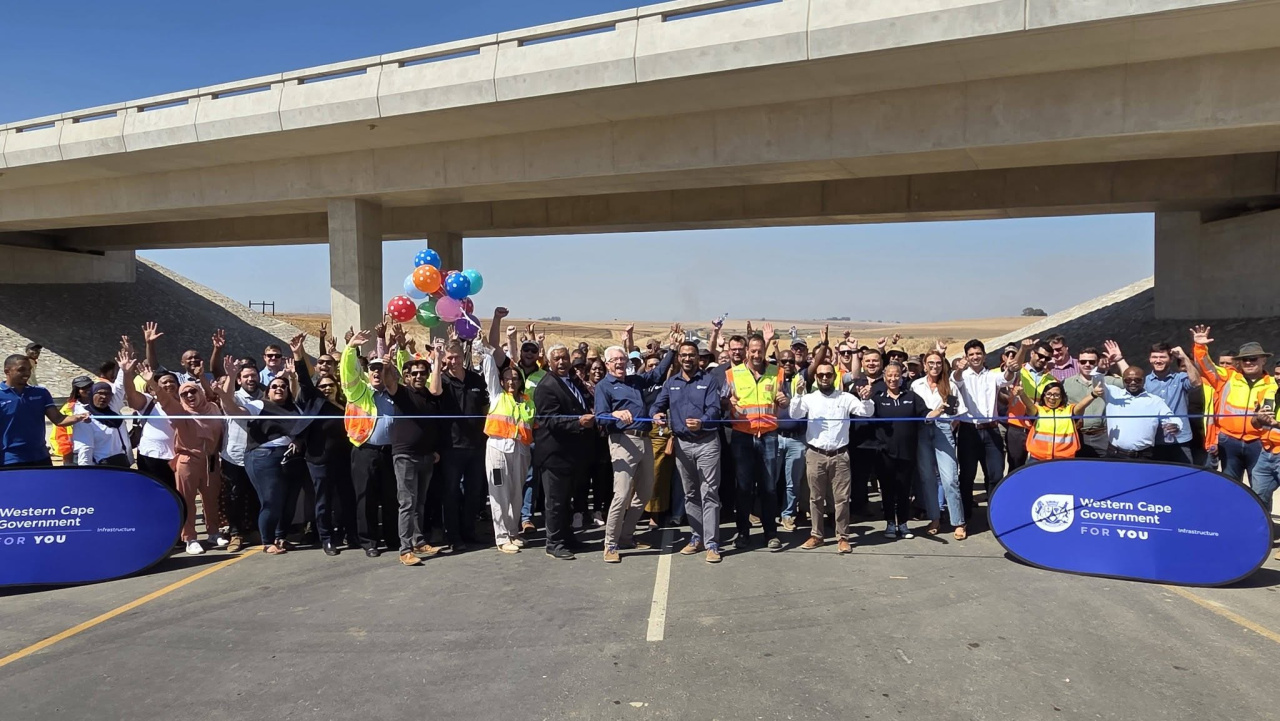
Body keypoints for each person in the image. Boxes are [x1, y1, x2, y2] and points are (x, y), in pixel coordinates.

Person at [595, 327, 678, 563]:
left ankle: (626, 536)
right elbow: (600, 417)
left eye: (622, 359)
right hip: (623, 441)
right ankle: (610, 543)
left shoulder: (634, 381)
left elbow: (658, 374)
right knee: (621, 495)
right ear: (607, 364)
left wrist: (672, 349)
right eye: (615, 360)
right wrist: (615, 414)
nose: (619, 363)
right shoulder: (604, 386)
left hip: (645, 438)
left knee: (644, 493)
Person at [217, 356, 306, 555]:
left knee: (289, 500)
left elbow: (302, 430)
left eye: (283, 386)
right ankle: (267, 541)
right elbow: (233, 411)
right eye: (274, 386)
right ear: (268, 391)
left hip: (291, 459)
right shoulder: (259, 405)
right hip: (264, 458)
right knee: (271, 500)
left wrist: (298, 440)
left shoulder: (296, 408)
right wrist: (226, 387)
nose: (279, 389)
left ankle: (281, 537)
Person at [138, 360, 227, 555]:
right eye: (184, 394)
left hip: (211, 460)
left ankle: (213, 532)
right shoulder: (180, 412)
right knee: (186, 500)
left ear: (200, 392)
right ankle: (190, 538)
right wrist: (152, 383)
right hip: (188, 460)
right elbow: (166, 401)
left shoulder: (213, 408)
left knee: (211, 498)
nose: (189, 396)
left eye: (193, 391)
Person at [789, 362, 874, 553]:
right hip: (815, 454)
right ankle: (817, 535)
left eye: (828, 374)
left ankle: (843, 537)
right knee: (815, 498)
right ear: (816, 378)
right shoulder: (809, 398)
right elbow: (795, 415)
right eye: (821, 375)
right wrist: (798, 395)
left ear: (835, 377)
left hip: (840, 455)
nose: (825, 378)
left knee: (842, 499)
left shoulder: (846, 398)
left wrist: (866, 399)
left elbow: (866, 412)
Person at [652, 340, 724, 563]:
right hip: (682, 445)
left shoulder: (708, 381)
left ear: (698, 358)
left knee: (709, 492)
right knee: (690, 493)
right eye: (683, 355)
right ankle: (696, 537)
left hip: (707, 443)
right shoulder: (671, 382)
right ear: (678, 358)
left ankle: (712, 544)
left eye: (691, 355)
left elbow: (715, 409)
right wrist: (656, 414)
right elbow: (658, 404)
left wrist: (702, 421)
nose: (687, 359)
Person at [290, 333, 358, 557]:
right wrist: (298, 354)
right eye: (323, 386)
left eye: (331, 385)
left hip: (344, 460)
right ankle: (327, 539)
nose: (327, 388)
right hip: (318, 460)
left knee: (347, 499)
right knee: (323, 501)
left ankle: (351, 535)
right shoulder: (314, 401)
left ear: (337, 387)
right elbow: (304, 379)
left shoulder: (346, 405)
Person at [341, 329, 406, 557]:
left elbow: (403, 371)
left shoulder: (395, 393)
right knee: (365, 498)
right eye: (373, 369)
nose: (377, 373)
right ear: (367, 372)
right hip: (365, 451)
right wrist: (350, 348)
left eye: (381, 369)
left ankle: (392, 538)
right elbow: (347, 371)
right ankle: (369, 542)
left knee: (391, 497)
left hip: (391, 453)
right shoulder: (358, 391)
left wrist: (399, 351)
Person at [724, 327, 788, 551]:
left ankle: (771, 533)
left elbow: (784, 399)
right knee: (744, 488)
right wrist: (728, 403)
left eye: (759, 350)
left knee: (769, 487)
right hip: (743, 436)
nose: (756, 354)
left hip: (769, 435)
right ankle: (743, 533)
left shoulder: (777, 372)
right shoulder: (732, 374)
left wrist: (785, 401)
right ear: (746, 351)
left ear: (764, 350)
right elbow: (722, 400)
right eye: (752, 351)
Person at [533, 344, 596, 560]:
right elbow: (550, 420)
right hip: (554, 454)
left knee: (567, 500)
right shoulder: (546, 386)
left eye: (564, 358)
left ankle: (567, 538)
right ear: (549, 362)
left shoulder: (572, 381)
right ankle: (554, 543)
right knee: (555, 502)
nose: (561, 362)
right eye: (557, 358)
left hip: (572, 454)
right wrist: (579, 422)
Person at [1191, 326, 1277, 482]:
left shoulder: (1273, 384)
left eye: (1253, 358)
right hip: (1229, 442)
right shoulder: (1228, 378)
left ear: (1264, 360)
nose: (1249, 362)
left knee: (1258, 487)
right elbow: (1207, 367)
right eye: (1245, 359)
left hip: (1259, 442)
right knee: (1230, 485)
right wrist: (1200, 347)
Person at [388, 346, 444, 567]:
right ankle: (405, 550)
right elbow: (389, 382)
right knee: (407, 503)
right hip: (405, 456)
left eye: (423, 373)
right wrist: (387, 363)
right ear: (407, 376)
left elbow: (436, 390)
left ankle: (418, 541)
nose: (419, 376)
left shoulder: (430, 397)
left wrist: (438, 359)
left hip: (426, 456)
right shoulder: (402, 393)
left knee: (420, 502)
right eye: (415, 373)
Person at [480, 335, 535, 554]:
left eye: (515, 378)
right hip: (498, 450)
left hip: (520, 450)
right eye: (507, 379)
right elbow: (489, 373)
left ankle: (513, 532)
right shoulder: (496, 396)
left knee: (516, 493)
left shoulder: (528, 401)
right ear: (502, 382)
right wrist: (487, 351)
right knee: (499, 493)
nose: (511, 382)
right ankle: (502, 537)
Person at [1104, 341, 1202, 464]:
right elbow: (1130, 378)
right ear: (1150, 359)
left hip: (1179, 439)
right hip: (1154, 442)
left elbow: (1197, 382)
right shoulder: (1144, 382)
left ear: (1171, 359)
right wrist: (1120, 360)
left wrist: (1184, 357)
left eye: (1162, 357)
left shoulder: (1180, 378)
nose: (1158, 360)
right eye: (1154, 357)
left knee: (1184, 473)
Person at [435, 339, 490, 551]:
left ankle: (469, 531)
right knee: (450, 493)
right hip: (451, 447)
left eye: (456, 357)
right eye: (449, 358)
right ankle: (453, 535)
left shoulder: (476, 379)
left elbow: (485, 407)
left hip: (476, 445)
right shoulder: (442, 380)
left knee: (473, 492)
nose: (453, 361)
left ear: (462, 356)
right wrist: (437, 362)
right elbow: (434, 391)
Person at [870, 362, 929, 539]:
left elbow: (926, 414)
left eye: (896, 375)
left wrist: (941, 410)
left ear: (901, 377)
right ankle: (890, 523)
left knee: (904, 489)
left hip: (907, 451)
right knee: (887, 489)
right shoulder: (877, 399)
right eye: (890, 375)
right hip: (884, 453)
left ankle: (903, 524)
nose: (893, 379)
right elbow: (866, 414)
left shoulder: (912, 396)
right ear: (884, 377)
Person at [914, 348, 967, 539]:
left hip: (943, 430)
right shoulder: (916, 385)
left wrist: (949, 427)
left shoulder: (950, 385)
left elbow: (959, 412)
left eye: (938, 363)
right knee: (927, 478)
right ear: (925, 365)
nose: (935, 366)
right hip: (922, 431)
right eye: (931, 363)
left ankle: (958, 521)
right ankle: (934, 518)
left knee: (950, 478)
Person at [953, 340, 1008, 522]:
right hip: (968, 431)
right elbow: (955, 379)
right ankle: (964, 518)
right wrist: (959, 369)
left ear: (984, 355)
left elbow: (1007, 378)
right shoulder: (961, 375)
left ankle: (995, 515)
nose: (975, 357)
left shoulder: (993, 375)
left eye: (978, 353)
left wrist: (1012, 367)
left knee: (995, 474)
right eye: (971, 354)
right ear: (966, 357)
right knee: (967, 476)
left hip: (992, 431)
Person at [2, 355, 85, 467]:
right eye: (21, 370)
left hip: (41, 457)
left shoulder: (41, 393)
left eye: (29, 369)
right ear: (7, 371)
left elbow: (59, 419)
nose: (27, 373)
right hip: (10, 459)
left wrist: (79, 417)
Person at [219, 363, 264, 553]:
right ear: (239, 380)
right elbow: (226, 402)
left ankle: (254, 530)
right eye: (246, 376)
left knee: (256, 494)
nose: (250, 379)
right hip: (234, 455)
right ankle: (235, 533)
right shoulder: (234, 395)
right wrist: (230, 375)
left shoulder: (265, 396)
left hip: (258, 454)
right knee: (234, 496)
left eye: (253, 375)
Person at [1098, 366, 1184, 459]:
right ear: (1123, 380)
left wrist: (1176, 426)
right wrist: (1099, 370)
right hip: (1115, 454)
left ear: (1144, 380)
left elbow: (1171, 418)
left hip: (1144, 455)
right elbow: (1097, 384)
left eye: (1137, 380)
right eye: (1128, 380)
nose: (1133, 382)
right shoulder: (1113, 394)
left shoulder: (1155, 401)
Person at [1007, 380, 1102, 462]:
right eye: (1049, 394)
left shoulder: (1069, 411)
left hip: (1065, 460)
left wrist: (1093, 394)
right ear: (1044, 396)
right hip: (1037, 459)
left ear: (1062, 397)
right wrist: (1022, 394)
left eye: (1056, 395)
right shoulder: (1038, 410)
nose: (1052, 398)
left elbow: (1081, 405)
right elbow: (1029, 405)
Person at [1005, 339, 1058, 472]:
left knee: (1038, 467)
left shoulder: (1052, 379)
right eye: (1040, 356)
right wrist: (1023, 349)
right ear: (1032, 353)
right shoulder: (1020, 371)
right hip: (1018, 427)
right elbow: (1013, 367)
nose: (1043, 360)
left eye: (1047, 358)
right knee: (1015, 468)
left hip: (1039, 429)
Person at [122, 363, 178, 489]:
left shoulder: (185, 403)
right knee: (150, 491)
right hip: (151, 457)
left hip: (177, 458)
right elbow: (131, 394)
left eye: (172, 381)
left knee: (174, 493)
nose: (169, 384)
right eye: (164, 382)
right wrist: (127, 373)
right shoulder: (148, 402)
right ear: (156, 387)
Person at [1062, 348, 1121, 458]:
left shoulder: (1108, 380)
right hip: (1078, 436)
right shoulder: (1066, 383)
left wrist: (1120, 360)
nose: (1087, 364)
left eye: (1091, 362)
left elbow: (1131, 382)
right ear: (1078, 363)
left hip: (1103, 436)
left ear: (1097, 362)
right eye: (1083, 361)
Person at [775, 347, 809, 532]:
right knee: (770, 479)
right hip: (775, 437)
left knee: (792, 481)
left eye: (791, 361)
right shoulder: (771, 379)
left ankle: (787, 515)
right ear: (778, 363)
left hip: (797, 439)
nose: (787, 364)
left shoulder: (802, 379)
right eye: (783, 361)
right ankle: (769, 513)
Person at [71, 377, 133, 468]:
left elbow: (120, 387)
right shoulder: (85, 418)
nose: (103, 397)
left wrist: (125, 371)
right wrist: (86, 471)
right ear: (92, 395)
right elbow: (85, 448)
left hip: (123, 464)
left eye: (107, 394)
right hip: (102, 468)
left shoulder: (113, 411)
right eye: (100, 393)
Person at [49, 376, 93, 465]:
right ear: (77, 390)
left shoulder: (100, 405)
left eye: (89, 386)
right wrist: (67, 456)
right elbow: (61, 434)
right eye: (83, 387)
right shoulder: (68, 409)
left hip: (98, 451)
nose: (88, 389)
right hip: (75, 454)